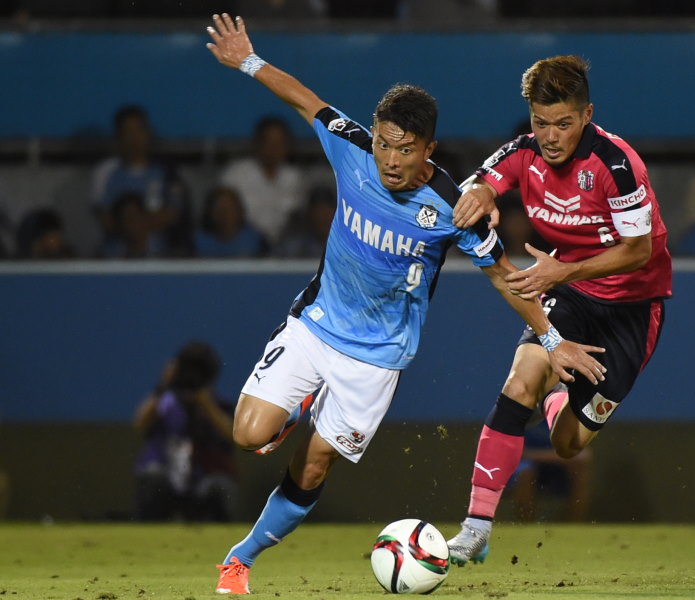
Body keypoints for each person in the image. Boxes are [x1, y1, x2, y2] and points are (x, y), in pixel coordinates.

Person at [203, 15, 604, 595]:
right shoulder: (351, 148)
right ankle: (295, 405)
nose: (391, 160)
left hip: (377, 360)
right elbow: (305, 100)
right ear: (374, 134)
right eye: (385, 144)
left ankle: (239, 559)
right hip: (316, 326)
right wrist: (246, 59)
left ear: (429, 150)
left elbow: (502, 279)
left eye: (406, 150)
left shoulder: (453, 205)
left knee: (313, 467)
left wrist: (549, 336)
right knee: (248, 432)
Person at [446, 55, 672, 564]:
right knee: (519, 382)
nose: (550, 136)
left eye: (564, 123)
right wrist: (480, 197)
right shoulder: (522, 153)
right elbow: (479, 186)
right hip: (567, 293)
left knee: (569, 443)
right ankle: (476, 528)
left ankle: (559, 404)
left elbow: (639, 251)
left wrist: (561, 272)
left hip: (632, 309)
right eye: (540, 122)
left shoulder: (617, 164)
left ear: (587, 114)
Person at [133, 342, 238, 522]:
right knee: (152, 478)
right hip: (166, 477)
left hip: (203, 479)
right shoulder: (164, 404)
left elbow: (232, 435)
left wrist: (205, 402)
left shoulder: (219, 407)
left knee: (221, 487)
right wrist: (163, 386)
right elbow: (140, 423)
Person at [92, 105, 192, 256]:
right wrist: (136, 228)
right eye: (128, 131)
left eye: (139, 130)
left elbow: (172, 214)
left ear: (148, 133)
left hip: (159, 254)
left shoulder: (168, 173)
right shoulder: (105, 172)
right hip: (115, 255)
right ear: (118, 136)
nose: (134, 138)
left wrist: (134, 226)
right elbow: (104, 218)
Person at [220, 116, 307, 248]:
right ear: (257, 143)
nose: (273, 148)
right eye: (269, 142)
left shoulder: (295, 178)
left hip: (286, 249)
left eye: (279, 142)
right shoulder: (236, 173)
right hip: (243, 246)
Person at [194, 186, 266, 258]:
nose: (225, 216)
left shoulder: (256, 240)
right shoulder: (196, 242)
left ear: (239, 211)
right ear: (210, 213)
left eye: (229, 210)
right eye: (220, 211)